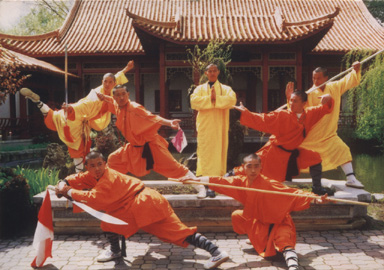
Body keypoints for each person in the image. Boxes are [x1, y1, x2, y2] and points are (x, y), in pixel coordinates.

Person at [54, 151, 229, 269]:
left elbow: (95, 199)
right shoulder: (93, 174)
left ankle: (216, 251)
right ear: (88, 167)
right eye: (92, 166)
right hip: (132, 206)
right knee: (108, 221)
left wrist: (68, 191)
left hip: (145, 204)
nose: (97, 168)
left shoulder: (108, 177)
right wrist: (63, 183)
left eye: (100, 164)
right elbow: (76, 179)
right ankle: (115, 251)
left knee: (178, 232)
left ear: (105, 163)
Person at [178, 153, 329, 270]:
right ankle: (255, 238)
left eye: (256, 166)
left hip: (278, 222)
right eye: (249, 166)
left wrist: (316, 199)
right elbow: (220, 181)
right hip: (259, 222)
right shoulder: (240, 182)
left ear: (261, 167)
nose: (253, 170)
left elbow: (293, 193)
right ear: (243, 168)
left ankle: (293, 265)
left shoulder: (269, 184)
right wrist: (196, 180)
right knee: (237, 216)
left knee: (284, 241)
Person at [20, 61, 134, 172]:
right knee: (77, 146)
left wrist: (127, 68)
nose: (107, 84)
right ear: (102, 81)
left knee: (54, 118)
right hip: (77, 118)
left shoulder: (112, 89)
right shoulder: (96, 95)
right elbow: (83, 105)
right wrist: (71, 108)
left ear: (114, 83)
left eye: (110, 82)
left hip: (78, 117)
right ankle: (79, 174)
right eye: (105, 82)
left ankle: (38, 103)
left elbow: (117, 76)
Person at [96, 85, 206, 198]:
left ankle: (200, 187)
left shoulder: (134, 108)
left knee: (175, 167)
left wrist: (169, 122)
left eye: (123, 94)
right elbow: (111, 101)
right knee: (114, 159)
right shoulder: (118, 105)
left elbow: (152, 118)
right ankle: (112, 189)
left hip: (151, 146)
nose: (121, 97)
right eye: (118, 95)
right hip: (134, 148)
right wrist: (103, 97)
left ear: (128, 95)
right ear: (114, 97)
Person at [233, 91, 334, 195]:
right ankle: (224, 179)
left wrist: (329, 97)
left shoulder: (310, 114)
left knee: (315, 157)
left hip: (292, 153)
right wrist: (245, 113)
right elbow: (264, 119)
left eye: (295, 101)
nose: (291, 103)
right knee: (250, 166)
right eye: (290, 100)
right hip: (275, 152)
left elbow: (325, 108)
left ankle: (317, 188)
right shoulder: (282, 115)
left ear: (304, 103)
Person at [286, 61, 364, 189]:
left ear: (326, 78)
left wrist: (355, 70)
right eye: (313, 78)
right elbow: (296, 111)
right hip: (310, 136)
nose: (315, 81)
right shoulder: (309, 94)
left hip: (329, 134)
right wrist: (290, 100)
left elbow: (348, 80)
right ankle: (286, 176)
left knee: (342, 149)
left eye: (318, 78)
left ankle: (351, 178)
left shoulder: (335, 87)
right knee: (293, 153)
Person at [190, 63, 237, 196]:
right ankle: (205, 184)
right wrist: (210, 99)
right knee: (205, 154)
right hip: (205, 127)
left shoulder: (225, 89)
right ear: (205, 73)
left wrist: (217, 98)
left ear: (218, 73)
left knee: (217, 153)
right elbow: (194, 102)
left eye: (214, 71)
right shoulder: (199, 89)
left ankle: (215, 184)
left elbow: (232, 100)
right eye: (209, 71)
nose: (212, 73)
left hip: (219, 127)